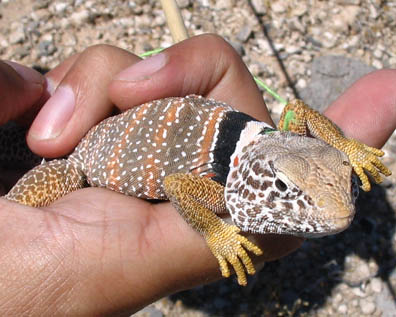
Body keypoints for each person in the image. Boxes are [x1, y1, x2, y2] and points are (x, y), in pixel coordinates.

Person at [0, 34, 395, 315]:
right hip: (77, 163)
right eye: (283, 187)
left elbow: (298, 112)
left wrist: (345, 149)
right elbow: (177, 185)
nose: (340, 209)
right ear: (258, 179)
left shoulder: (263, 153)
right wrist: (217, 232)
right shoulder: (219, 191)